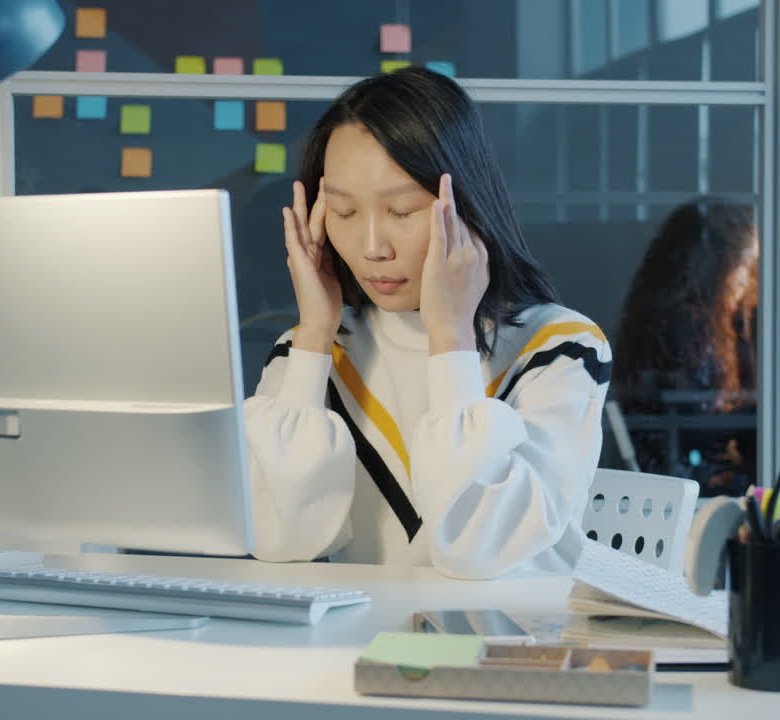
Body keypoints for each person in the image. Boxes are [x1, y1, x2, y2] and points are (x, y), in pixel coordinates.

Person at [243, 68, 611, 579]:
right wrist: (313, 335)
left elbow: (476, 549)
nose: (372, 247)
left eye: (401, 210)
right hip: (359, 647)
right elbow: (278, 540)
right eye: (345, 213)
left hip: (512, 645)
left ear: (468, 204)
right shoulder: (310, 353)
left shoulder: (561, 348)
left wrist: (451, 338)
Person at [611, 200, 758, 497]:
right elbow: (690, 420)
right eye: (742, 265)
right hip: (680, 474)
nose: (746, 278)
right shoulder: (682, 322)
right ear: (717, 266)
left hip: (683, 462)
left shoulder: (690, 314)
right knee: (776, 489)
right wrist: (768, 406)